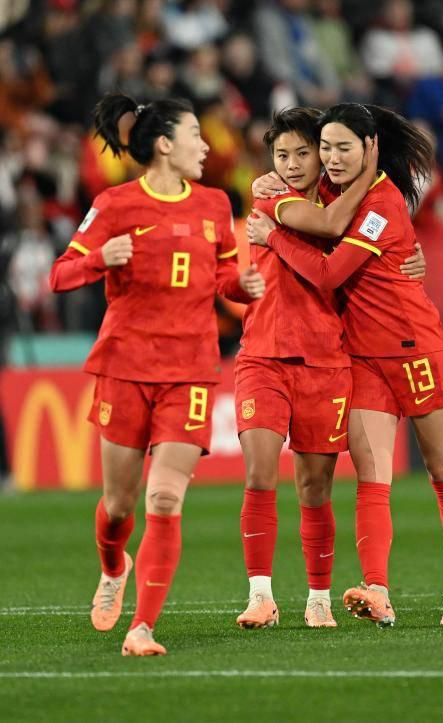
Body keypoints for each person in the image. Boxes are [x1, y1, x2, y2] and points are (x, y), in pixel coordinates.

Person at [48, 93, 265, 656]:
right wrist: (102, 259)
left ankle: (141, 627)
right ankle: (112, 565)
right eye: (196, 133)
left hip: (190, 369)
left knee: (165, 500)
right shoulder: (115, 204)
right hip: (125, 366)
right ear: (165, 143)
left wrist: (241, 288)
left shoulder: (216, 204)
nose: (206, 144)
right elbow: (60, 274)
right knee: (120, 506)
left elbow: (222, 278)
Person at [246, 103, 443, 626]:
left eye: (342, 147)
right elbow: (309, 205)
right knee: (373, 478)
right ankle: (378, 590)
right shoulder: (330, 192)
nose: (330, 158)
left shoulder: (381, 202)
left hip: (415, 348)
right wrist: (277, 179)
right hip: (363, 359)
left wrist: (275, 236)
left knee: (442, 469)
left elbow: (328, 276)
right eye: (323, 147)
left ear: (370, 147)